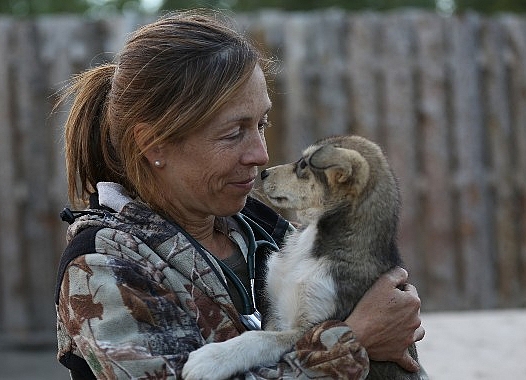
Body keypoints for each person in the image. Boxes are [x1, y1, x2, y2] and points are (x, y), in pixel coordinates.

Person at [55, 10, 424, 380]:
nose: (261, 154)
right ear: (153, 144)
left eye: (262, 123)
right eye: (234, 133)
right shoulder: (106, 267)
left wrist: (392, 316)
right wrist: (353, 341)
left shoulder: (265, 231)